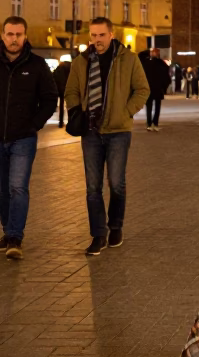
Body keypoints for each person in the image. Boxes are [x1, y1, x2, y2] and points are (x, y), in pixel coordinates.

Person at [0, 16, 58, 260]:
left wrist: (34, 124)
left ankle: (15, 237)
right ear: (3, 35)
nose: (14, 39)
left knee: (18, 187)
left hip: (23, 139)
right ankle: (8, 232)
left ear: (25, 36)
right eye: (10, 34)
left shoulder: (37, 65)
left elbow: (50, 99)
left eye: (18, 34)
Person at [65, 16, 149, 257]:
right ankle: (98, 235)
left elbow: (143, 89)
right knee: (93, 187)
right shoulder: (81, 62)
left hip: (118, 131)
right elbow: (71, 90)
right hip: (90, 131)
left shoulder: (128, 59)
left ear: (111, 35)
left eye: (101, 35)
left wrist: (126, 111)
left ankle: (116, 226)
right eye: (93, 35)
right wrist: (75, 110)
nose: (97, 40)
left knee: (116, 183)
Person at [143, 48, 171, 131]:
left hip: (149, 88)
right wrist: (164, 88)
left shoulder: (146, 63)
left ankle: (149, 124)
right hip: (158, 89)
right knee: (157, 107)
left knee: (149, 106)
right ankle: (155, 124)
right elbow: (167, 78)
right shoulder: (162, 64)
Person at [52, 57, 72, 127]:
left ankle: (61, 122)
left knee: (61, 105)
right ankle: (70, 121)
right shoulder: (71, 67)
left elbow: (53, 78)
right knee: (70, 106)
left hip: (60, 90)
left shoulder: (58, 68)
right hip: (69, 89)